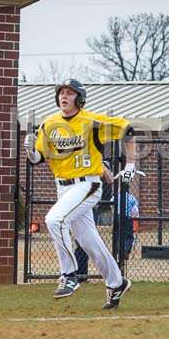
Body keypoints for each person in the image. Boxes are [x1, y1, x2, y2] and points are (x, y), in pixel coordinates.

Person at [24, 78, 136, 309]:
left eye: (70, 93)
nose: (64, 96)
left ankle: (69, 275)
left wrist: (130, 165)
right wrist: (29, 149)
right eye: (62, 92)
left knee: (54, 219)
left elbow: (128, 129)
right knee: (89, 241)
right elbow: (38, 158)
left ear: (80, 98)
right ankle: (117, 282)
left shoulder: (91, 121)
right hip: (63, 187)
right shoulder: (50, 124)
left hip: (88, 184)